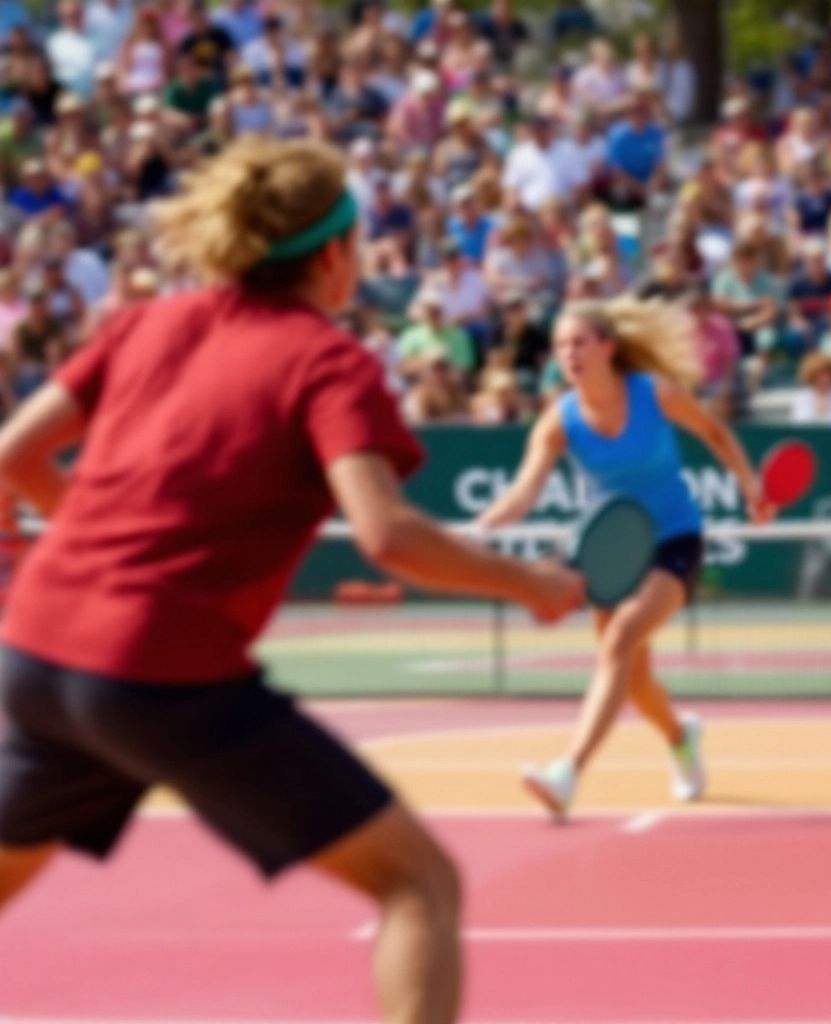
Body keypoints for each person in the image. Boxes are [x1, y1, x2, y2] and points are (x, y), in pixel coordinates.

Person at [0, 137, 584, 1023]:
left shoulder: (148, 322)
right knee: (418, 885)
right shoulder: (327, 362)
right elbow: (387, 533)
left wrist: (98, 538)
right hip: (159, 670)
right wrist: (530, 585)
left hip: (36, 653)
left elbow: (15, 453)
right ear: (335, 252)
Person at [476, 296, 771, 819]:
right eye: (561, 345)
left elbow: (716, 434)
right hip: (609, 551)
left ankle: (567, 773)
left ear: (607, 348)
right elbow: (523, 492)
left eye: (579, 343)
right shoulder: (558, 421)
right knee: (632, 677)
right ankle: (682, 737)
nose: (568, 353)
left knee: (617, 641)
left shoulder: (656, 395)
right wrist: (475, 530)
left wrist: (750, 488)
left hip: (675, 539)